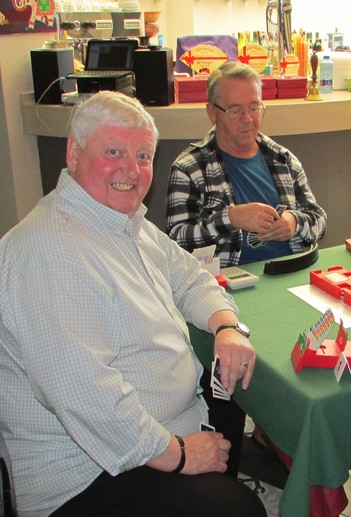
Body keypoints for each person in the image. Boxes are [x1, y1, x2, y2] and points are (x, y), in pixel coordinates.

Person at [0, 91, 266, 517]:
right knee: (238, 509)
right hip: (88, 473)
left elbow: (189, 276)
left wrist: (226, 326)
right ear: (74, 153)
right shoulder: (51, 250)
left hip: (147, 431)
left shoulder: (122, 220)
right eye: (114, 152)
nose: (131, 169)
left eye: (143, 156)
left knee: (233, 389)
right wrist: (181, 454)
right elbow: (86, 398)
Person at [166, 61, 327, 267]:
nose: (248, 119)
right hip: (226, 280)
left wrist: (295, 222)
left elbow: (320, 220)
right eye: (235, 110)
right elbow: (175, 242)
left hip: (290, 271)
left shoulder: (283, 159)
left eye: (254, 108)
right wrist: (231, 219)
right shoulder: (188, 169)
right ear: (212, 112)